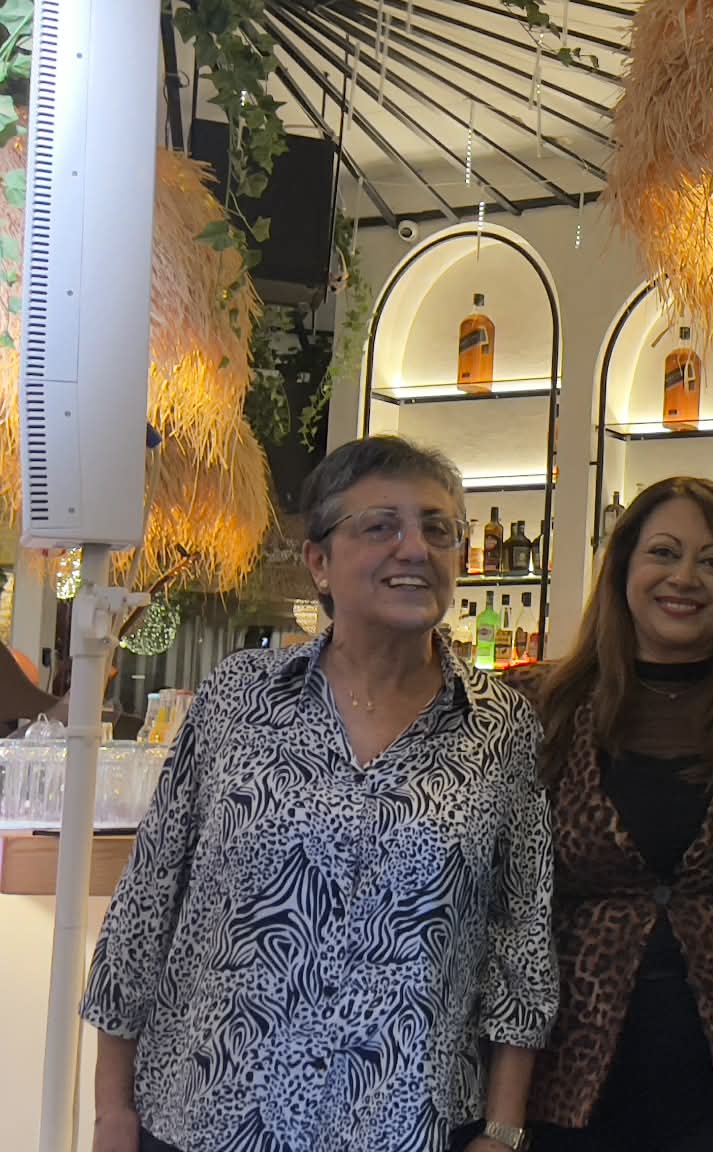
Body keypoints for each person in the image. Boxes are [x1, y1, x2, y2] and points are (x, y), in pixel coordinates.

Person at [81, 435, 556, 1152]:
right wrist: (111, 1108)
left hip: (405, 1126)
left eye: (438, 529)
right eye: (381, 526)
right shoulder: (240, 697)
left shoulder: (501, 726)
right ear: (319, 563)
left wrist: (502, 1128)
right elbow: (148, 900)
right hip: (207, 1116)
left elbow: (521, 939)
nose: (414, 548)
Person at [500, 479, 713, 1152]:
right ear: (623, 568)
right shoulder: (537, 706)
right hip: (563, 1081)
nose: (684, 577)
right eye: (663, 552)